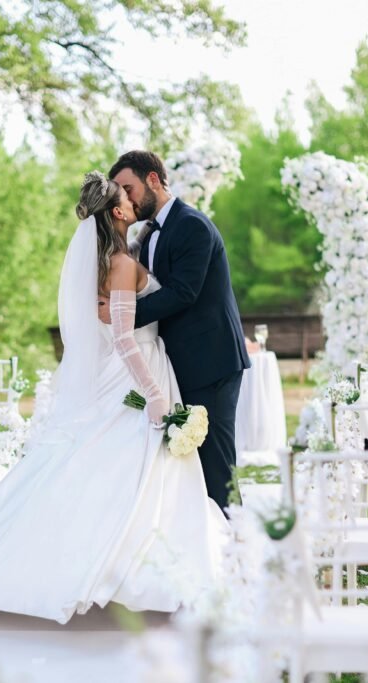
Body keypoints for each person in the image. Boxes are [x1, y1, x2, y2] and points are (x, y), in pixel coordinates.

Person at [0, 172, 227, 624]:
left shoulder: (112, 257)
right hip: (138, 375)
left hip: (132, 371)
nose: (133, 201)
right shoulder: (123, 262)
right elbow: (124, 339)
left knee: (110, 466)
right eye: (126, 197)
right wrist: (152, 394)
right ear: (117, 211)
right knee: (132, 468)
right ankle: (125, 572)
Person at [105, 151, 251, 511]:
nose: (127, 197)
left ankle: (235, 539)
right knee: (191, 460)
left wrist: (122, 316)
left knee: (216, 459)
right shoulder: (151, 232)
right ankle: (206, 539)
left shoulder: (191, 226)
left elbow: (183, 293)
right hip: (179, 361)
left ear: (153, 179)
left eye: (129, 187)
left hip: (211, 360)